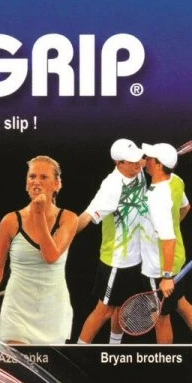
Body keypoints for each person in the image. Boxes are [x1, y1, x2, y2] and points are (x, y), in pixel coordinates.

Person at [0, 156, 78, 344]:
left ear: (57, 184)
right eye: (32, 176)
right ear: (26, 184)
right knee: (15, 361)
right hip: (16, 313)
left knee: (45, 364)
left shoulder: (69, 219)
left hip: (53, 314)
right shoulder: (10, 221)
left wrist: (39, 215)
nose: (36, 181)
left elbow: (51, 256)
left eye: (43, 177)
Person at [74, 139, 148, 344]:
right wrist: (60, 241)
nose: (138, 163)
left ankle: (114, 348)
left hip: (136, 258)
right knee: (104, 310)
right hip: (116, 262)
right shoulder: (111, 186)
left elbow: (148, 162)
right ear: (119, 163)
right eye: (132, 161)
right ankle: (79, 349)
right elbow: (87, 215)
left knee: (122, 308)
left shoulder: (137, 167)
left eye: (138, 158)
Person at [138, 142, 192, 344]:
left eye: (149, 158)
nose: (145, 160)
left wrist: (166, 277)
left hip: (160, 266)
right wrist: (168, 226)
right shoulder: (176, 181)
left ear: (158, 165)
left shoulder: (156, 198)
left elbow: (168, 239)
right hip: (177, 257)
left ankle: (165, 358)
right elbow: (186, 208)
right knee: (181, 303)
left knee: (160, 318)